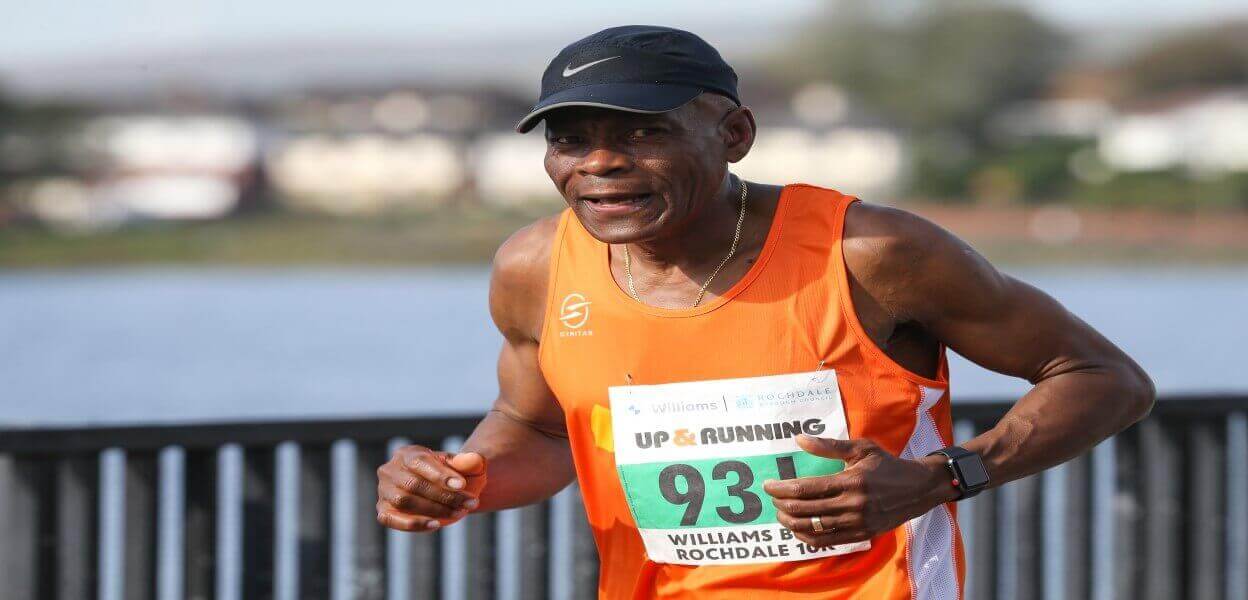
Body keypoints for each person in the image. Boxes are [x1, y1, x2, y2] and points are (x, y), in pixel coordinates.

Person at [376, 25, 1154, 599]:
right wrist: (459, 480)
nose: (600, 162)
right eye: (570, 139)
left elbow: (1105, 378)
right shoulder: (535, 267)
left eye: (643, 132)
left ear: (735, 135)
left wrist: (940, 478)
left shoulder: (870, 252)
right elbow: (541, 429)